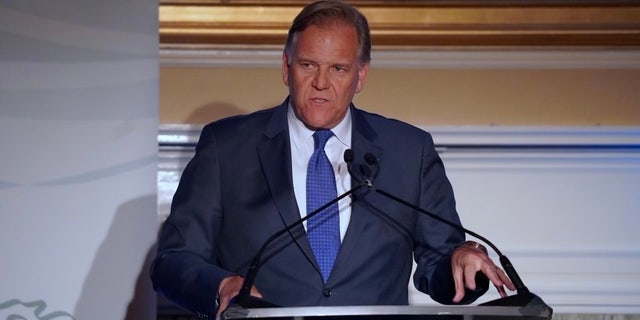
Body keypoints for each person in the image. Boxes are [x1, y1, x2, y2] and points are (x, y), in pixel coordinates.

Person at [151, 0, 515, 318]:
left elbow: (441, 264)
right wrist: (222, 285)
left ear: (360, 76)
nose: (321, 82)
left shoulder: (410, 151)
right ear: (285, 68)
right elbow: (172, 261)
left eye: (338, 69)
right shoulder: (226, 147)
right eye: (308, 65)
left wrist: (461, 262)